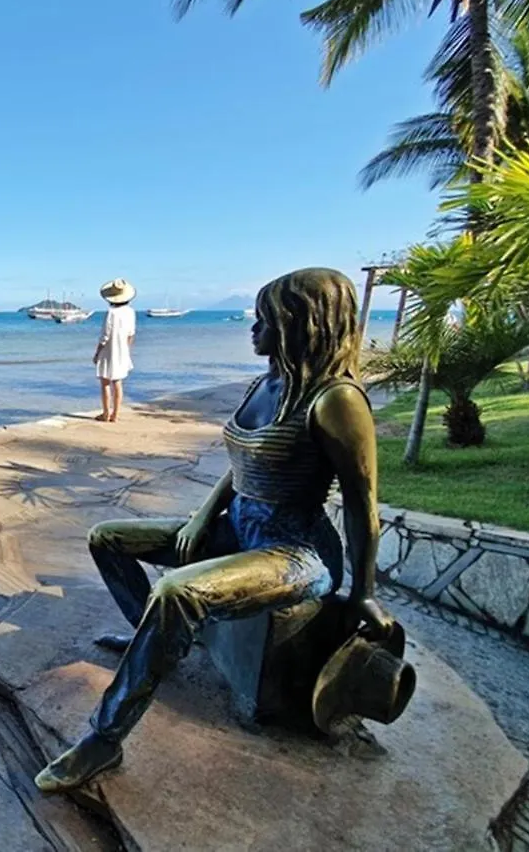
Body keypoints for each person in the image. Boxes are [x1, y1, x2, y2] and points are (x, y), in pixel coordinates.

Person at [35, 267, 395, 793]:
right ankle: (153, 640)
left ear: (301, 324)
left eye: (264, 319)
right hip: (240, 524)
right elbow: (245, 461)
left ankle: (103, 738)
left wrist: (364, 594)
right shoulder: (267, 382)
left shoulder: (336, 401)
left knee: (177, 591)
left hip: (294, 549)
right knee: (107, 537)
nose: (253, 329)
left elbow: (364, 507)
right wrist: (205, 516)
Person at [93, 279, 137, 422]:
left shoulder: (111, 313)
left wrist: (97, 353)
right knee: (117, 382)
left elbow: (105, 335)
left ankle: (106, 413)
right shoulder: (130, 312)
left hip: (109, 350)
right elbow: (131, 333)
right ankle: (115, 415)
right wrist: (127, 350)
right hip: (122, 349)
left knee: (105, 382)